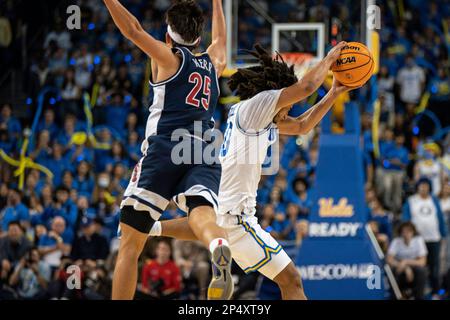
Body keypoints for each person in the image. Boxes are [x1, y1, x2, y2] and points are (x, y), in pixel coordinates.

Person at [150, 42, 358, 299]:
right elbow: (305, 88)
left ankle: (152, 227)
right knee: (291, 280)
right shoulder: (259, 105)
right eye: (288, 103)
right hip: (240, 221)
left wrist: (334, 93)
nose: (289, 109)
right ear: (276, 92)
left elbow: (303, 125)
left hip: (222, 214)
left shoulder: (249, 114)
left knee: (209, 226)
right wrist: (328, 60)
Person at [103, 0, 232, 300]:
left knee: (130, 245)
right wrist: (217, 3)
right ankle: (217, 246)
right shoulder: (214, 62)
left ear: (168, 36)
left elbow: (132, 29)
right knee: (203, 217)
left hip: (164, 150)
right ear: (199, 38)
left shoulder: (168, 58)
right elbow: (221, 40)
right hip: (204, 151)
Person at [402, 178, 448, 297]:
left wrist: (443, 233)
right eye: (421, 185)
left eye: (426, 185)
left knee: (434, 266)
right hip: (417, 240)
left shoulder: (434, 200)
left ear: (430, 187)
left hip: (434, 238)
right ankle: (418, 292)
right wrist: (407, 235)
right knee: (419, 266)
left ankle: (435, 291)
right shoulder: (411, 201)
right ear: (417, 187)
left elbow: (440, 218)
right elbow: (406, 220)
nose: (423, 188)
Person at [386, 222, 427, 299]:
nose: (406, 234)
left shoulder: (419, 240)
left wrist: (406, 262)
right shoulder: (396, 241)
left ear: (413, 232)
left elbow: (422, 261)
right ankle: (396, 296)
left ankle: (419, 297)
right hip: (399, 266)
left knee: (422, 271)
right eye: (404, 231)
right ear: (400, 232)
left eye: (409, 231)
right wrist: (405, 267)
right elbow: (389, 259)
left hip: (414, 265)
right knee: (392, 271)